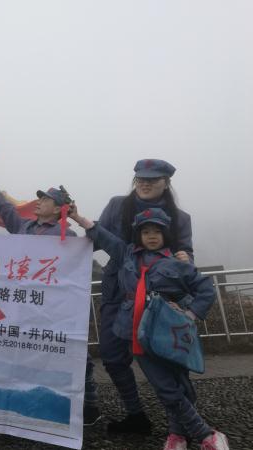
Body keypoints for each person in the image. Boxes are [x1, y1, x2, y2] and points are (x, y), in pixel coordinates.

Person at [69, 206, 229, 450]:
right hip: (137, 335)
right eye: (146, 231)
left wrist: (190, 313)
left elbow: (205, 288)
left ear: (166, 235)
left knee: (177, 384)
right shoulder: (126, 254)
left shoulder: (177, 263)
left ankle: (179, 436)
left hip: (169, 333)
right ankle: (205, 436)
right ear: (138, 235)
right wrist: (76, 216)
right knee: (166, 387)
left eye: (157, 231)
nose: (151, 235)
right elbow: (101, 233)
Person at [0, 166, 101, 426]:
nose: (39, 202)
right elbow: (4, 208)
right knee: (26, 353)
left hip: (56, 308)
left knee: (74, 353)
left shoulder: (69, 236)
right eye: (40, 198)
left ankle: (90, 404)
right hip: (26, 308)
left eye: (46, 199)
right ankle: (33, 401)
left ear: (58, 208)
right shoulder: (23, 227)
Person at [97, 159, 193, 434]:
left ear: (166, 182)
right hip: (118, 293)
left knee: (170, 360)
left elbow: (187, 254)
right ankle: (135, 415)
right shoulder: (117, 206)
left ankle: (183, 422)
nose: (145, 182)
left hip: (161, 300)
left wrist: (187, 258)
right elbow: (94, 240)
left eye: (153, 178)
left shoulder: (180, 218)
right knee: (112, 356)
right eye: (140, 177)